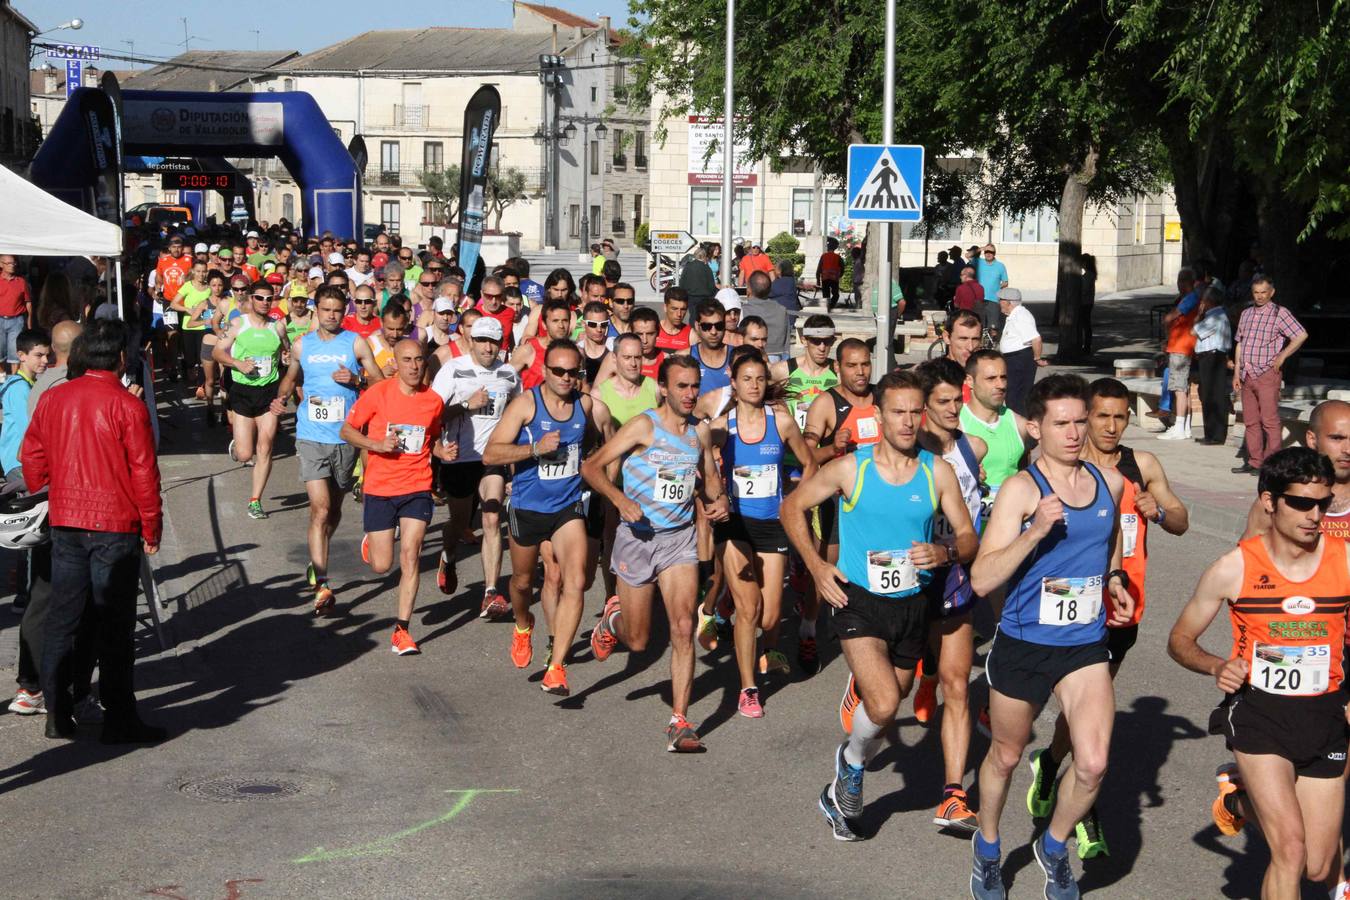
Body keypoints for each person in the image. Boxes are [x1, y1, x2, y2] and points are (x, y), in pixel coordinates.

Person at [783, 370, 977, 841]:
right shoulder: (853, 468)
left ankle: (848, 760)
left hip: (913, 602)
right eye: (898, 412)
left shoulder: (938, 471)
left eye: (915, 411)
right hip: (858, 600)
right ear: (880, 416)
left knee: (896, 696)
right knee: (887, 702)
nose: (908, 421)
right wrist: (816, 565)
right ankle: (850, 769)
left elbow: (970, 537)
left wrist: (947, 552)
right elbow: (792, 507)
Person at [967, 374, 1131, 900]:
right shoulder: (1021, 489)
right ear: (1035, 427)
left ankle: (1054, 845)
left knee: (1094, 763)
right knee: (1007, 758)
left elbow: (1109, 541)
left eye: (1081, 421)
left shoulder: (1111, 483)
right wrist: (1034, 530)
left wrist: (1113, 579)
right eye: (1062, 423)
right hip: (1024, 644)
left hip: (1084, 644)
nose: (1075, 432)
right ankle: (989, 847)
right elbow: (982, 577)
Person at [1168, 447, 1350, 900]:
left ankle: (1236, 799)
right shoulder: (1234, 569)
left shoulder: (1345, 561)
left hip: (1325, 714)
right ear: (1269, 501)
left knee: (1317, 864)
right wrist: (1217, 665)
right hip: (1259, 715)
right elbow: (1179, 641)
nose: (1314, 515)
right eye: (1301, 503)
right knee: (1288, 850)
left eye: (1323, 504)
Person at [1023, 377, 1189, 859]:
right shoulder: (1058, 467)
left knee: (1083, 720)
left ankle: (1054, 766)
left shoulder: (1143, 465)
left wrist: (1158, 511)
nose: (1112, 426)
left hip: (1122, 608)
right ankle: (1082, 804)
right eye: (1102, 416)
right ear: (1084, 417)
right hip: (1067, 611)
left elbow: (1181, 521)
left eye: (1120, 417)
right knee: (1088, 718)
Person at [26, 319, 164, 743]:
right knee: (114, 627)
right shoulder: (127, 405)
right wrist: (151, 526)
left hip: (68, 520)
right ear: (121, 358)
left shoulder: (55, 397)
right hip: (114, 524)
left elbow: (31, 457)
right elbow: (144, 472)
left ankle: (58, 712)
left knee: (64, 621)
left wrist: (52, 485)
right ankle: (119, 719)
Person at [583, 355, 728, 751]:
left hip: (678, 540)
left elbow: (710, 484)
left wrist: (721, 503)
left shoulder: (699, 432)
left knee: (683, 628)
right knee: (639, 640)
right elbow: (592, 467)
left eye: (695, 386)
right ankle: (612, 622)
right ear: (663, 388)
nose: (690, 394)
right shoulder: (644, 426)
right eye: (681, 386)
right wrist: (618, 499)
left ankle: (679, 722)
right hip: (638, 538)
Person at [483, 340, 596, 695]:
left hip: (567, 507)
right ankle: (522, 624)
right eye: (558, 371)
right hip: (529, 508)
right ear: (545, 371)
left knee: (574, 581)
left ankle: (557, 667)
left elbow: (592, 443)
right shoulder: (526, 404)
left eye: (572, 372)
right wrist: (534, 449)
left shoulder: (585, 404)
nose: (566, 378)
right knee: (521, 582)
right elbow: (490, 454)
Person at [712, 348, 817, 716]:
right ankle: (748, 688)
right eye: (746, 379)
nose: (754, 385)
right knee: (749, 609)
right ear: (734, 384)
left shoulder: (782, 421)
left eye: (760, 379)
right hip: (735, 524)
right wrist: (714, 493)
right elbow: (699, 458)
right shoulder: (723, 425)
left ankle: (727, 603)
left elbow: (808, 463)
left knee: (771, 618)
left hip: (772, 524)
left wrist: (796, 502)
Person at [907, 357, 987, 834]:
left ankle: (953, 794)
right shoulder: (906, 450)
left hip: (955, 572)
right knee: (891, 690)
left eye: (959, 399)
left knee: (958, 685)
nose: (955, 408)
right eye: (944, 402)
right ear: (922, 407)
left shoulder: (973, 449)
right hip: (906, 578)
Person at [340, 339, 457, 656]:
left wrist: (440, 451)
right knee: (381, 565)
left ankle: (402, 630)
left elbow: (428, 438)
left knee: (411, 555)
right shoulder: (378, 393)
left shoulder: (432, 401)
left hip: (417, 486)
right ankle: (374, 538)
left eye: (419, 360)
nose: (414, 366)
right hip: (380, 487)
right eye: (407, 360)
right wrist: (376, 445)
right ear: (396, 361)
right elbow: (347, 431)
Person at [271, 286, 383, 615]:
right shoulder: (303, 344)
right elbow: (291, 378)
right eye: (325, 309)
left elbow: (378, 381)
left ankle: (318, 555)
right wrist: (280, 398)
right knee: (319, 509)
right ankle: (321, 581)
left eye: (337, 309)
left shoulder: (355, 342)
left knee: (333, 512)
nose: (331, 315)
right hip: (310, 435)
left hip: (346, 437)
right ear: (316, 310)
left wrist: (357, 379)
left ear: (343, 310)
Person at [431, 316, 520, 618]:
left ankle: (490, 592)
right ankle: (448, 554)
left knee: (492, 518)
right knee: (459, 525)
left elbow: (518, 416)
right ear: (471, 340)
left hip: (491, 459)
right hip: (459, 458)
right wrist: (467, 404)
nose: (487, 347)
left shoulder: (509, 375)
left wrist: (515, 462)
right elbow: (432, 413)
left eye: (493, 342)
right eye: (482, 340)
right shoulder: (452, 370)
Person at [212, 279, 290, 520]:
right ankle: (238, 446)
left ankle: (255, 500)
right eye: (260, 298)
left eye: (269, 299)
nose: (265, 303)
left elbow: (285, 353)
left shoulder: (278, 327)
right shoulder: (237, 324)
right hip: (243, 392)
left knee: (265, 447)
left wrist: (286, 358)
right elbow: (217, 351)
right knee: (246, 454)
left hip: (269, 392)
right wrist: (237, 364)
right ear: (250, 299)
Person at [1242, 399, 1350, 541]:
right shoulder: (1279, 499)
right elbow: (1247, 556)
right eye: (1337, 438)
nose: (1348, 449)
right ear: (1312, 439)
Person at [1233, 276, 1307, 475]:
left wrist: (1283, 355)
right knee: (1250, 420)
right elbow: (1240, 342)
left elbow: (1300, 335)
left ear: (1271, 292)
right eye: (1256, 292)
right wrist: (1236, 372)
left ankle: (1271, 464)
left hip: (1267, 372)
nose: (1259, 296)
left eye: (1263, 292)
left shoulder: (1279, 313)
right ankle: (1254, 461)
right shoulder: (1247, 313)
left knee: (1269, 420)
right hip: (1247, 373)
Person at [959, 350, 1028, 510]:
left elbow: (1025, 471)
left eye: (1003, 377)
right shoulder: (957, 423)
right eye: (991, 379)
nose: (1000, 385)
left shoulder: (1020, 424)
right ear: (970, 381)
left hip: (1009, 520)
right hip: (970, 519)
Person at [0, 329, 51, 484]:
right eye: (39, 355)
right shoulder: (20, 389)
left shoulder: (29, 385)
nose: (46, 360)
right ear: (21, 355)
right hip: (19, 465)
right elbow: (30, 431)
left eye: (47, 355)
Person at [1159, 271, 1202, 440]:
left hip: (1181, 347)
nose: (1178, 284)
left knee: (1179, 389)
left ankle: (1178, 426)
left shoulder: (1190, 298)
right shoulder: (1193, 298)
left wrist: (1166, 320)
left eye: (1180, 281)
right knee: (1184, 388)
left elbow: (1170, 317)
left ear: (1186, 282)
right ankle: (1184, 427)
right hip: (1183, 346)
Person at [1192, 285, 1234, 446]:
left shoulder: (1215, 316)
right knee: (1207, 395)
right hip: (1207, 357)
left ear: (1208, 301)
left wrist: (1198, 314)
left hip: (1213, 357)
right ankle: (1209, 433)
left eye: (1203, 300)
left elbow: (1194, 331)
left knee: (1214, 395)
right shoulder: (1213, 316)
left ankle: (1216, 435)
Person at [996, 289, 1045, 417]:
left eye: (1001, 300)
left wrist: (1037, 357)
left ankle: (1020, 426)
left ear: (1009, 302)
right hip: (1014, 359)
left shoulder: (1021, 316)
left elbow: (1036, 339)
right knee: (1012, 395)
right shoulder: (1014, 315)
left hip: (1020, 359)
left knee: (1017, 396)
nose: (999, 303)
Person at [512, 299, 573, 391]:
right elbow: (503, 378)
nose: (561, 326)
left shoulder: (576, 352)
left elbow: (584, 387)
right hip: (532, 404)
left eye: (565, 320)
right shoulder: (528, 350)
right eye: (555, 321)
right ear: (544, 324)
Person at [743, 271, 790, 361]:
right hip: (777, 357)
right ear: (770, 289)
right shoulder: (782, 309)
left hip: (750, 357)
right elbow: (786, 343)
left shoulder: (743, 310)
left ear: (749, 289)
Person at [689, 300, 732, 395]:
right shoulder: (685, 356)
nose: (713, 332)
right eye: (706, 326)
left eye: (719, 326)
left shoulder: (737, 356)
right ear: (697, 326)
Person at [0, 255, 33, 372]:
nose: (12, 266)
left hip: (16, 320)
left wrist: (29, 324)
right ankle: (2, 377)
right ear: (1, 265)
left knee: (14, 352)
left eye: (13, 263)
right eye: (8, 263)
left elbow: (28, 303)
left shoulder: (21, 282)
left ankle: (14, 380)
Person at [577, 300, 611, 388]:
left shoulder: (614, 347)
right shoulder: (577, 351)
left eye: (603, 324)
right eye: (593, 324)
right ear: (584, 324)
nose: (599, 330)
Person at [976, 244, 1007, 330]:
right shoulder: (979, 262)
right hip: (979, 299)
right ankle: (980, 343)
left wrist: (997, 288)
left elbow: (1005, 282)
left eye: (991, 252)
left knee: (993, 327)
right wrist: (982, 248)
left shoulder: (1000, 266)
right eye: (986, 252)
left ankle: (992, 343)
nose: (988, 254)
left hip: (993, 300)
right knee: (978, 327)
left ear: (994, 253)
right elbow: (967, 255)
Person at [655, 286, 693, 352]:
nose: (679, 314)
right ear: (665, 307)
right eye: (674, 309)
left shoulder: (691, 335)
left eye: (683, 309)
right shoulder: (653, 330)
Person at [816, 238, 844, 311]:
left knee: (826, 295)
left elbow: (819, 269)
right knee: (836, 295)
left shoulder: (824, 256)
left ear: (828, 248)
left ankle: (827, 308)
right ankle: (831, 305)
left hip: (825, 279)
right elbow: (843, 267)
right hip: (834, 279)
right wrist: (839, 276)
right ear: (834, 248)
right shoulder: (838, 257)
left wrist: (818, 280)